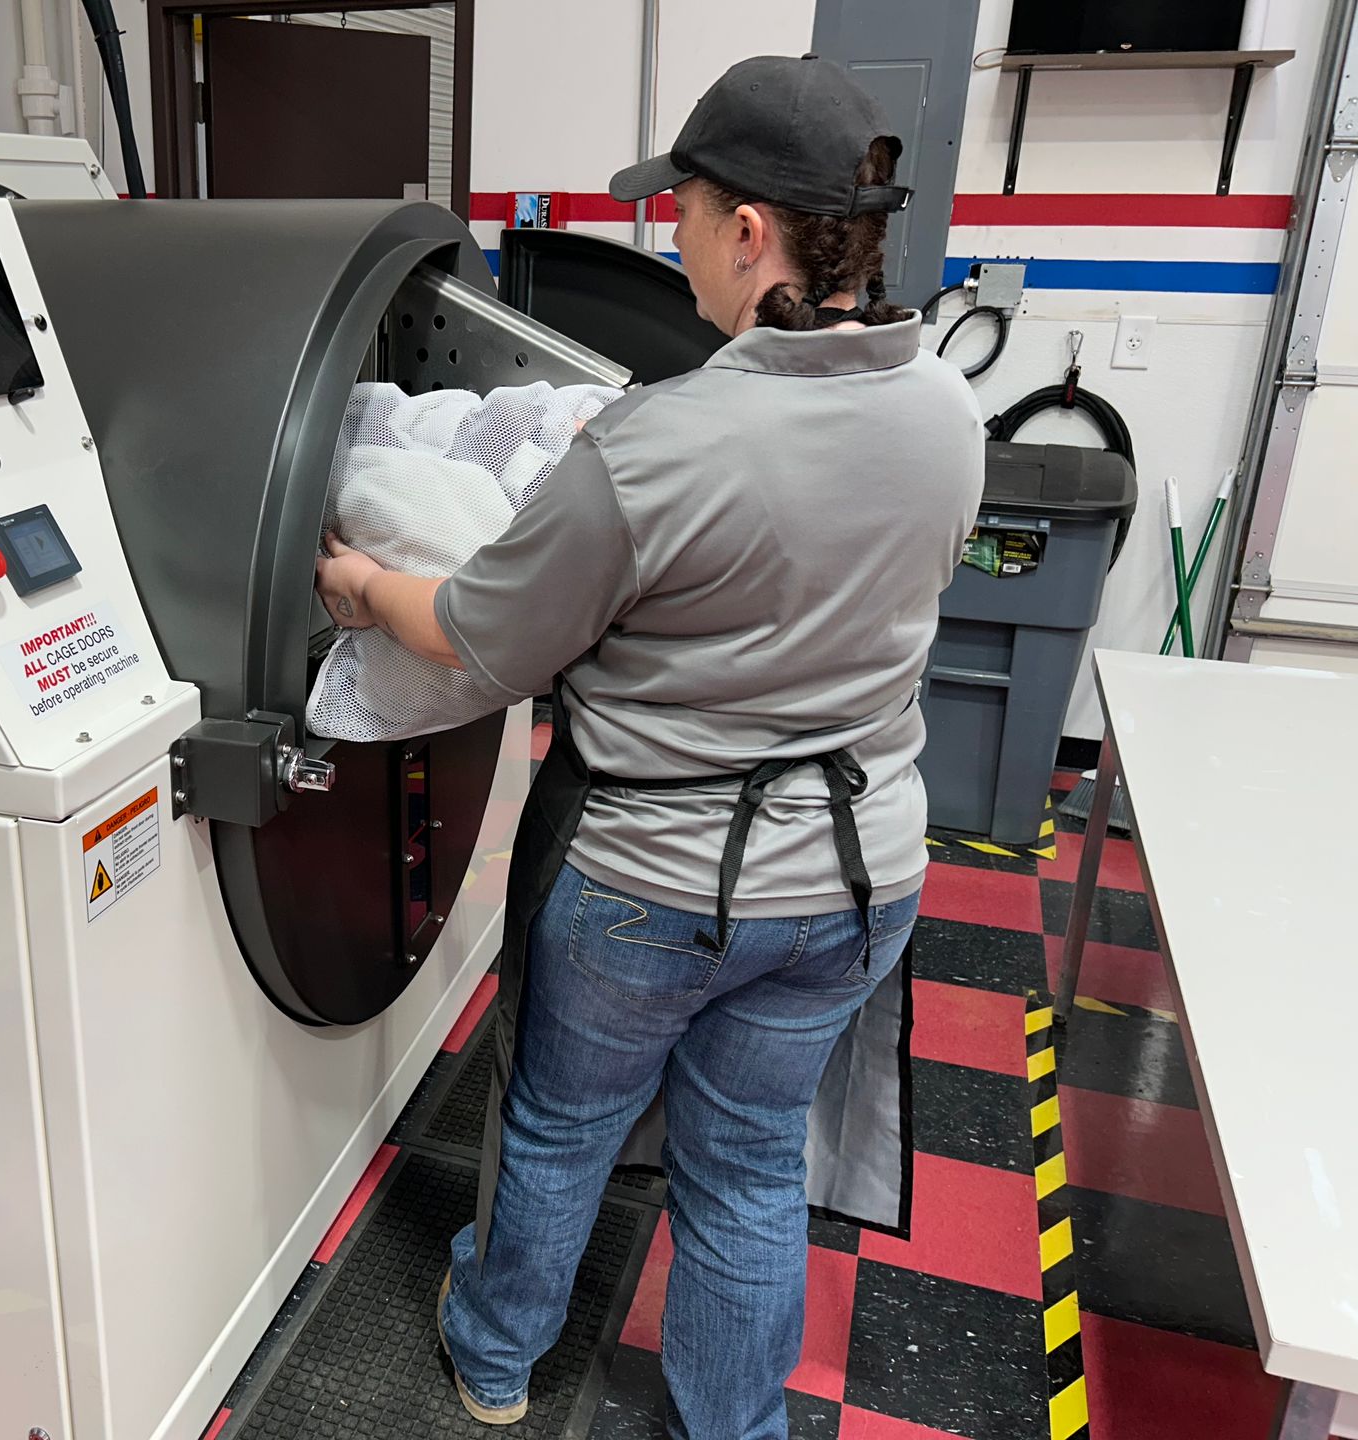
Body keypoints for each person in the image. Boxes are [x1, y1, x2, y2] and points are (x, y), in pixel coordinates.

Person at [315, 55, 983, 1440]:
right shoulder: (947, 413)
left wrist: (361, 589)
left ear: (750, 232)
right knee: (743, 1167)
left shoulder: (658, 444)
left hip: (651, 881)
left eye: (678, 208)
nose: (664, 234)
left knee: (561, 1126)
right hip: (857, 879)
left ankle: (495, 1360)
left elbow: (486, 639)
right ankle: (729, 1427)